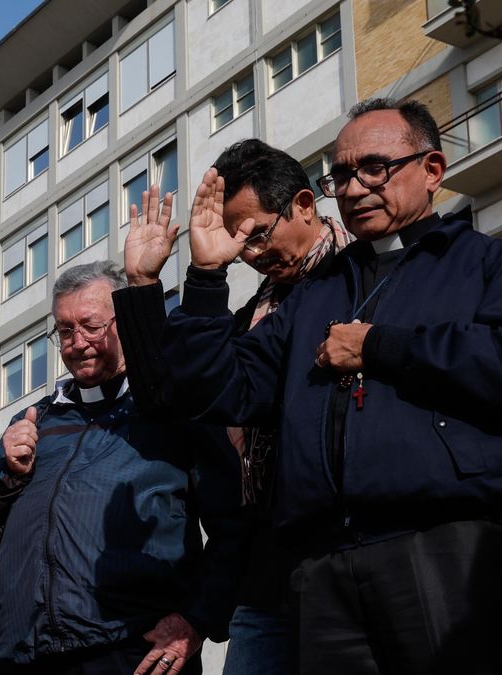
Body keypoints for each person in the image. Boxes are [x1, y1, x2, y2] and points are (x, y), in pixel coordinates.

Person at [162, 98, 502, 674]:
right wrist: (206, 279)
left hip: (448, 546)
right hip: (320, 569)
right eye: (341, 175)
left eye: (374, 168)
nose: (354, 189)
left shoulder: (492, 262)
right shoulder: (314, 292)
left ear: (432, 170)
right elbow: (220, 391)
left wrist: (380, 346)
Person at [117, 139, 353, 674]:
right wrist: (144, 283)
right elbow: (173, 400)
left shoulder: (365, 282)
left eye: (258, 234)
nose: (250, 253)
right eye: (238, 241)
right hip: (264, 573)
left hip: (351, 557)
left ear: (305, 204)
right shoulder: (254, 317)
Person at [0, 261, 244, 675]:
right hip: (25, 654)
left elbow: (235, 524)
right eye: (64, 330)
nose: (78, 343)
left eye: (91, 326)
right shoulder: (32, 422)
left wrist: (197, 620)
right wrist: (7, 471)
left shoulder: (171, 410)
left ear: (123, 322)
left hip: (132, 651)